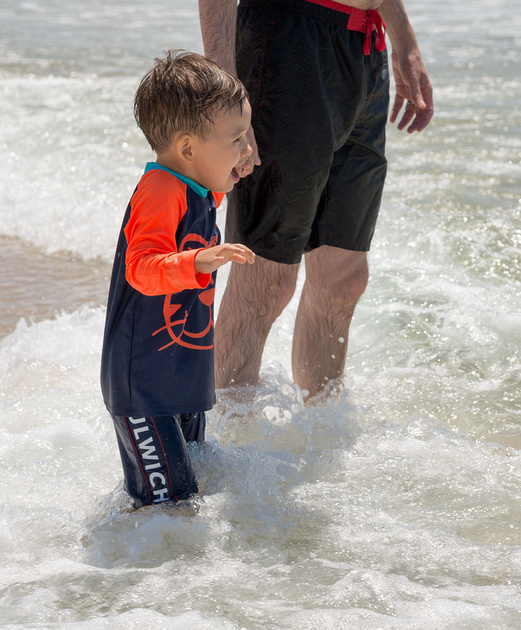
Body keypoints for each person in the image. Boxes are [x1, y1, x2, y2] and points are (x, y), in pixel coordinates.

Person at [199, 0, 434, 400]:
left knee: (344, 278)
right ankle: (225, 442)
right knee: (265, 278)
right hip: (291, 38)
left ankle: (322, 438)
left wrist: (404, 42)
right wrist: (225, 92)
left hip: (364, 48)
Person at [100, 50, 255, 507]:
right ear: (188, 149)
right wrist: (200, 263)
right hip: (144, 384)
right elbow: (142, 270)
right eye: (237, 139)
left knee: (193, 482)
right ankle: (144, 572)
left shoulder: (194, 190)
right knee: (169, 503)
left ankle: (183, 571)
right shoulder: (160, 191)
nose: (248, 149)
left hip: (179, 373)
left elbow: (190, 227)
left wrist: (226, 172)